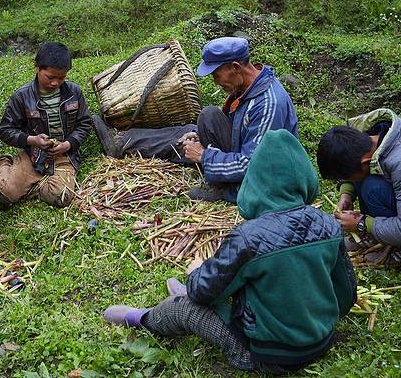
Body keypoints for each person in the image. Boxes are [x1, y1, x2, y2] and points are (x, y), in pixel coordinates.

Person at [104, 130, 357, 374]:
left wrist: (196, 273)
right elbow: (346, 296)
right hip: (323, 341)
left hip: (269, 356)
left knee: (186, 306)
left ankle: (141, 318)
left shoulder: (249, 237)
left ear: (255, 181)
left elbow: (203, 291)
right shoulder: (329, 225)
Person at [93, 37, 298, 202]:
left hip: (263, 179)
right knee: (200, 123)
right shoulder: (247, 84)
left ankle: (226, 188)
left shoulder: (267, 105)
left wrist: (205, 156)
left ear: (235, 67)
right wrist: (200, 135)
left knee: (196, 143)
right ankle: (122, 142)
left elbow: (253, 165)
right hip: (242, 148)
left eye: (216, 75)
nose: (216, 82)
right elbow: (234, 124)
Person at [0, 42, 92, 209]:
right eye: (50, 77)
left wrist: (67, 145)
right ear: (37, 68)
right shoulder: (21, 97)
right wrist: (32, 140)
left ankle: (31, 185)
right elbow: (5, 131)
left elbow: (85, 123)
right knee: (5, 194)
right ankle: (4, 163)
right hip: (32, 155)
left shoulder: (74, 92)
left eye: (61, 78)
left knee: (61, 198)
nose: (55, 83)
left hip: (63, 155)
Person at [317, 108, 401, 267]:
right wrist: (346, 194)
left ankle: (397, 251)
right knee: (365, 178)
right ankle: (376, 236)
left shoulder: (398, 162)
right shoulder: (364, 140)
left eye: (347, 177)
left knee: (372, 187)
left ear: (365, 162)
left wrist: (362, 223)